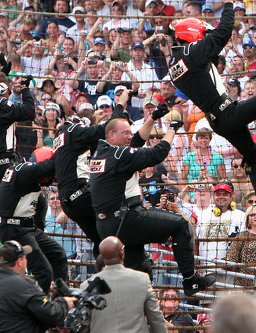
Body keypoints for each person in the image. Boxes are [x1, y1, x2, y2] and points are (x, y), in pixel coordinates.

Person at [170, 0, 256, 224]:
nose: (205, 40)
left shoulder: (177, 63)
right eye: (202, 36)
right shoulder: (190, 53)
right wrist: (230, 0)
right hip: (228, 113)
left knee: (254, 160)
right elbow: (223, 32)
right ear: (192, 37)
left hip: (220, 121)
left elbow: (212, 52)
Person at [89, 117, 214, 295]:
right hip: (126, 219)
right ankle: (190, 280)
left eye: (129, 133)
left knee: (138, 270)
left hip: (108, 224)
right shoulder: (120, 155)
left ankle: (133, 306)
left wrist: (153, 118)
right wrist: (172, 128)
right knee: (181, 224)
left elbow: (137, 141)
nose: (129, 137)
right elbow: (157, 154)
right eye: (125, 133)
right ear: (111, 135)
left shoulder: (101, 152)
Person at [53, 88, 139, 254]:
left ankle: (103, 272)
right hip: (80, 196)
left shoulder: (62, 139)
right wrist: (120, 103)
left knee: (102, 241)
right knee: (120, 212)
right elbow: (108, 129)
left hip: (69, 202)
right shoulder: (74, 131)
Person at [0, 147, 67, 294]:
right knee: (44, 272)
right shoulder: (24, 171)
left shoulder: (24, 175)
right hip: (14, 228)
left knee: (58, 254)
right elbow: (49, 165)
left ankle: (62, 299)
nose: (50, 179)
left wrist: (39, 231)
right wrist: (66, 148)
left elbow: (40, 205)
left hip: (26, 227)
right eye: (49, 175)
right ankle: (41, 307)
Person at [0, 240, 74, 333]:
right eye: (25, 258)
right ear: (19, 261)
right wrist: (64, 303)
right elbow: (51, 314)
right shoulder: (25, 284)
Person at [81, 236, 166, 333]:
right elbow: (155, 318)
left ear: (102, 256)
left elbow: (84, 325)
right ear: (122, 253)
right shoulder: (142, 279)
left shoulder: (87, 285)